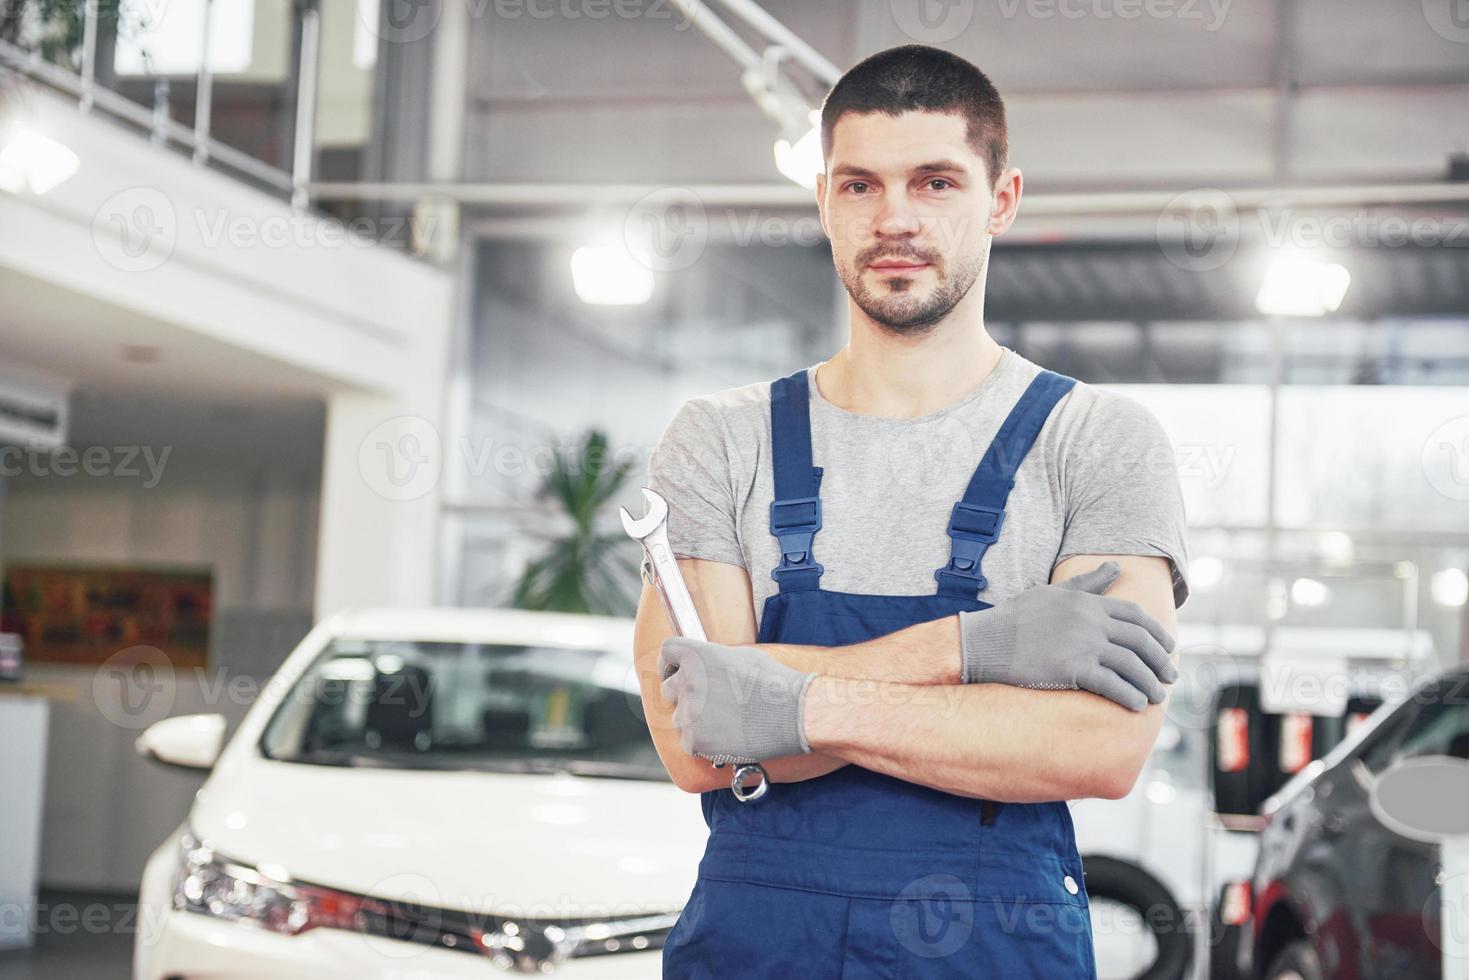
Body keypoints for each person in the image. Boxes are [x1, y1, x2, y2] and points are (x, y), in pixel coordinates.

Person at [634, 43, 1190, 979]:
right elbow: (700, 739)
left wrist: (782, 704)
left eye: (935, 182)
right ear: (823, 202)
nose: (894, 219)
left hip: (995, 945)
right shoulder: (718, 440)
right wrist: (973, 652)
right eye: (859, 186)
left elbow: (1096, 748)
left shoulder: (1101, 441)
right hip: (759, 945)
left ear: (1001, 199)